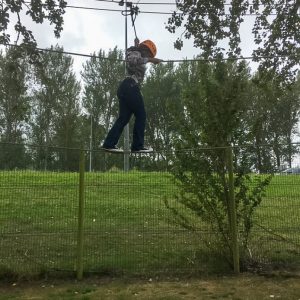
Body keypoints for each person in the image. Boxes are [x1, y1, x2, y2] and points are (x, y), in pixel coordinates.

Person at [102, 38, 163, 153]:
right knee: (141, 115)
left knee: (123, 118)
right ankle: (137, 146)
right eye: (149, 54)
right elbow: (132, 60)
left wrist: (139, 49)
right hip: (130, 86)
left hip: (126, 88)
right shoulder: (136, 53)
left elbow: (135, 57)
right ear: (146, 50)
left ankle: (109, 144)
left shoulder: (136, 52)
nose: (148, 56)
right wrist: (150, 59)